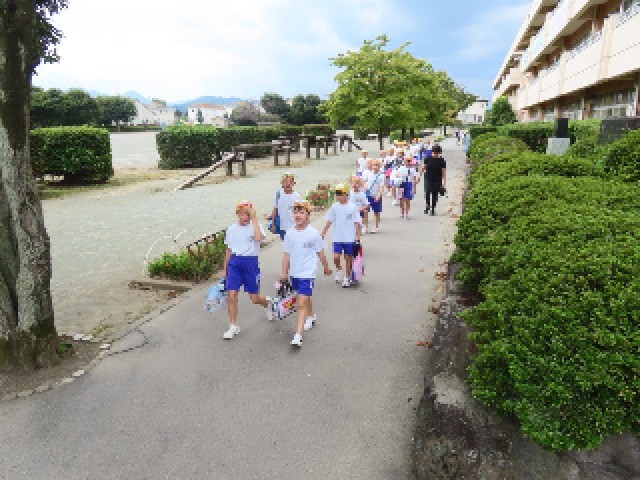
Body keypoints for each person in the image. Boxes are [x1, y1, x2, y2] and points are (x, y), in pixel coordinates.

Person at [280, 200, 332, 347]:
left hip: (308, 273)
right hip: (294, 273)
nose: (298, 215)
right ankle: (311, 316)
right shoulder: (289, 234)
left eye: (301, 212)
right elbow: (286, 254)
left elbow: (320, 252)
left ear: (308, 215)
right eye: (295, 212)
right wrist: (284, 272)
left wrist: (326, 267)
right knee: (304, 296)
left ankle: (298, 335)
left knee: (301, 302)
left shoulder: (313, 233)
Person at [222, 201, 272, 339]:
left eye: (248, 214)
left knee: (254, 298)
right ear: (237, 213)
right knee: (232, 295)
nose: (246, 217)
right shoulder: (231, 229)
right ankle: (233, 326)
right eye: (243, 213)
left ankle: (268, 303)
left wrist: (254, 218)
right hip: (235, 263)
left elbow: (258, 238)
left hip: (250, 263)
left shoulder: (256, 226)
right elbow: (229, 249)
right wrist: (225, 269)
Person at [321, 183, 362, 288]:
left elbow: (357, 222)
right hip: (337, 237)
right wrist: (323, 233)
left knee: (348, 258)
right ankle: (339, 269)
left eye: (340, 193)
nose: (338, 196)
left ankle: (346, 277)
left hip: (349, 238)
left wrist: (358, 236)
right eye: (337, 194)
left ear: (346, 194)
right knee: (336, 257)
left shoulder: (353, 207)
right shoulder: (334, 207)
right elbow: (329, 221)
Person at [268, 172, 302, 241]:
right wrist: (273, 225)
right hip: (282, 226)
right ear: (282, 183)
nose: (288, 183)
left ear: (293, 183)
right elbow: (275, 210)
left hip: (294, 226)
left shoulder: (297, 196)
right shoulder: (278, 194)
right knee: (285, 244)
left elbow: (301, 212)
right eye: (285, 181)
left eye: (290, 181)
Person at [421, 144, 447, 216]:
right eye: (434, 153)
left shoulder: (442, 161)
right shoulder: (428, 159)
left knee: (435, 194)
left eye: (437, 153)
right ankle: (428, 205)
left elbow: (444, 172)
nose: (435, 154)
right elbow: (423, 167)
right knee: (427, 192)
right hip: (428, 178)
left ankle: (433, 209)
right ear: (432, 152)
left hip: (437, 179)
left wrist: (444, 182)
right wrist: (418, 176)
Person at [363, 158, 384, 232]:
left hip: (376, 196)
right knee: (365, 211)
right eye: (374, 165)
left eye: (377, 165)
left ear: (379, 166)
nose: (375, 167)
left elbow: (381, 187)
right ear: (371, 166)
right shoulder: (368, 173)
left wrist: (379, 195)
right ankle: (365, 226)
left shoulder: (381, 176)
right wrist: (365, 186)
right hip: (367, 195)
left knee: (376, 212)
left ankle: (375, 226)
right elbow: (364, 182)